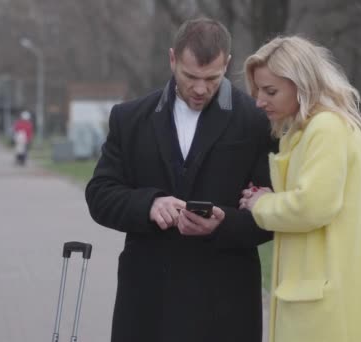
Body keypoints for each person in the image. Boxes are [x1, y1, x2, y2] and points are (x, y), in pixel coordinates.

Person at [85, 18, 277, 342]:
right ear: (172, 59)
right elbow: (100, 194)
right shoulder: (129, 118)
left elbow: (276, 209)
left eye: (212, 78)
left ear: (227, 65)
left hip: (226, 303)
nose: (200, 88)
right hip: (147, 302)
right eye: (190, 76)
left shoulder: (258, 121)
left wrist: (224, 223)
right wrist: (149, 204)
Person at [240, 36, 361, 342]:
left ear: (301, 83)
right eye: (257, 90)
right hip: (318, 294)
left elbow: (313, 205)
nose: (260, 100)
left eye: (270, 91)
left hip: (327, 303)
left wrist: (261, 204)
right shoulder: (306, 131)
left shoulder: (326, 128)